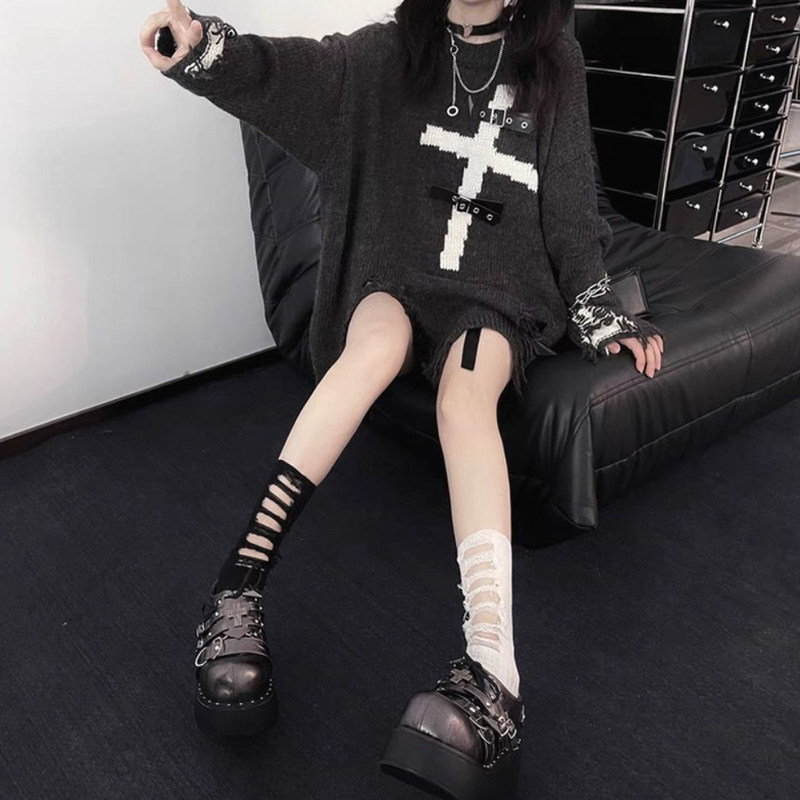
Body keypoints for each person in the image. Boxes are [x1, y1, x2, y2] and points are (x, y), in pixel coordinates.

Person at [140, 1, 664, 797]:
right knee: (375, 347)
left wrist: (598, 312)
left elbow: (566, 208)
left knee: (465, 397)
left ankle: (495, 672)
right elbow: (289, 77)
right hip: (394, 270)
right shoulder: (385, 54)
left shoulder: (555, 62)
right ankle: (236, 588)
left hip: (498, 288)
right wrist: (203, 47)